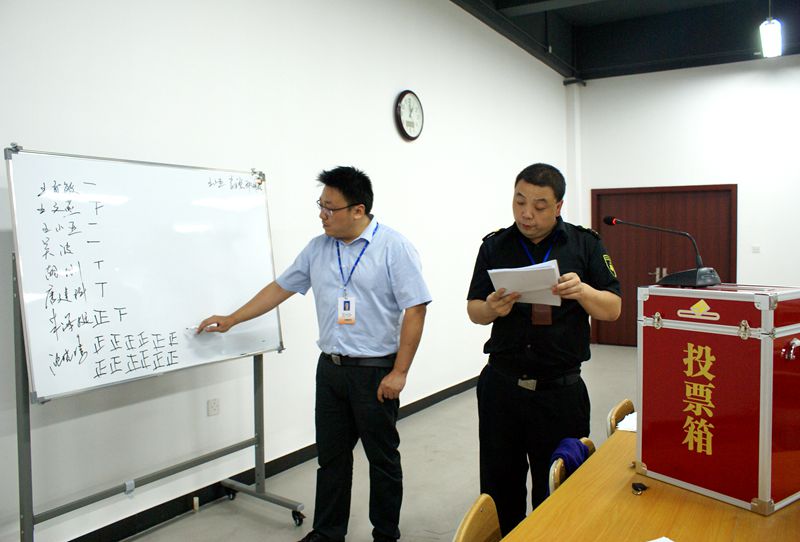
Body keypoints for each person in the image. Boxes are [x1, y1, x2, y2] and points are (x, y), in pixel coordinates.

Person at [198, 166, 431, 542]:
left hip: (375, 372)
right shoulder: (318, 248)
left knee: (382, 459)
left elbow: (415, 309)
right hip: (331, 370)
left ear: (358, 210)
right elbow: (280, 288)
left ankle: (386, 534)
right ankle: (327, 533)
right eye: (320, 205)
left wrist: (400, 372)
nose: (322, 214)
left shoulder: (394, 247)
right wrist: (233, 318)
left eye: (330, 208)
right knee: (331, 458)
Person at [466, 163, 621, 535]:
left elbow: (613, 308)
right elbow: (474, 311)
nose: (526, 213)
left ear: (559, 206)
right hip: (502, 388)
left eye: (539, 206)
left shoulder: (585, 244)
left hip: (560, 392)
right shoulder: (495, 245)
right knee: (499, 484)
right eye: (519, 201)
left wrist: (582, 291)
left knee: (560, 488)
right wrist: (492, 308)